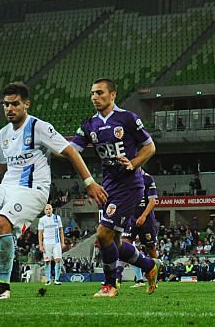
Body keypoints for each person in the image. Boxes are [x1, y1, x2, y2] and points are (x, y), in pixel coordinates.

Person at [0, 81, 108, 300]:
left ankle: (2, 287)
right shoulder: (3, 133)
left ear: (26, 104)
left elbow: (70, 152)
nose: (10, 109)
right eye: (6, 105)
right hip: (8, 188)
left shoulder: (39, 127)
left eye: (15, 104)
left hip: (33, 192)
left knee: (1, 222)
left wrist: (89, 182)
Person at [70, 78, 163, 298]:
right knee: (114, 241)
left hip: (130, 185)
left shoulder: (127, 118)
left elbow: (150, 147)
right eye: (92, 93)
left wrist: (133, 163)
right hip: (108, 186)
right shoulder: (89, 124)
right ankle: (149, 265)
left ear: (112, 95)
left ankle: (110, 284)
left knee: (103, 235)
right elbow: (72, 150)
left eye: (100, 93)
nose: (95, 97)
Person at [122, 171, 158, 288]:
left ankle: (154, 278)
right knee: (123, 245)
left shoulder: (147, 178)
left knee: (151, 248)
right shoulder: (126, 178)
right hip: (131, 218)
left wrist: (143, 216)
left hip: (146, 219)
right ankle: (115, 278)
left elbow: (153, 201)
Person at [38, 203, 64, 285]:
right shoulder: (42, 220)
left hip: (56, 242)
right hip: (46, 243)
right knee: (47, 261)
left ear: (52, 209)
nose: (48, 211)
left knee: (58, 260)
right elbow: (40, 233)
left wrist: (62, 242)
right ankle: (48, 280)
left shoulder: (57, 218)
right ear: (44, 211)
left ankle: (56, 279)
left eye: (49, 209)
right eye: (46, 209)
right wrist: (41, 245)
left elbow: (61, 230)